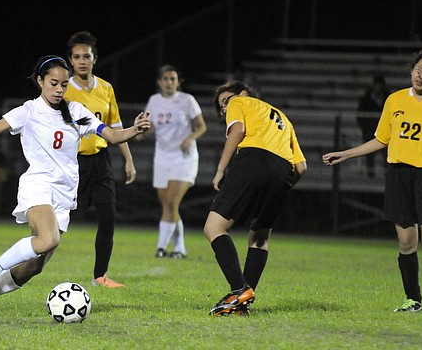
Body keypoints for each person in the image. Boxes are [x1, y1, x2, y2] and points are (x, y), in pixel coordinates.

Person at [0, 55, 150, 317]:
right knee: (47, 238)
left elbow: (113, 135)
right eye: (54, 83)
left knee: (33, 267)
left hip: (65, 194)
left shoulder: (76, 113)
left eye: (63, 85)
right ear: (40, 81)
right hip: (38, 185)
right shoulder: (28, 111)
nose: (59, 89)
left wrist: (136, 129)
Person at [323, 49, 422, 315]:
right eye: (417, 69)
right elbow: (382, 139)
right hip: (398, 174)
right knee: (406, 242)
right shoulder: (395, 99)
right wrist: (345, 154)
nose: (419, 74)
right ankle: (412, 299)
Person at [206, 80, 307, 316]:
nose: (224, 108)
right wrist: (280, 186)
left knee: (214, 227)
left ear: (242, 93)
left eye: (224, 101)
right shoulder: (283, 118)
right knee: (260, 238)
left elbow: (238, 131)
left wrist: (221, 169)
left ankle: (238, 289)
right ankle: (243, 303)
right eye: (222, 107)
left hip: (253, 160)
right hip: (284, 170)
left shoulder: (239, 101)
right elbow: (301, 166)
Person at [64, 31, 134, 288]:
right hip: (73, 163)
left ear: (94, 58)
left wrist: (128, 159)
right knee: (61, 220)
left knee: (108, 217)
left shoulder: (106, 88)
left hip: (101, 161)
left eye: (86, 56)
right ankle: (32, 260)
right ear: (70, 61)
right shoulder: (65, 90)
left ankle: (100, 276)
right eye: (77, 57)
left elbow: (115, 126)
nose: (82, 61)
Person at [141, 65, 207, 259]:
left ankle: (161, 247)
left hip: (183, 158)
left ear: (178, 82)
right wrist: (143, 131)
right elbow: (151, 125)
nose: (169, 82)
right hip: (162, 157)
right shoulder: (154, 101)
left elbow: (202, 126)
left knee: (171, 201)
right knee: (169, 206)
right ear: (159, 82)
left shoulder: (187, 100)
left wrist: (190, 138)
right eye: (165, 79)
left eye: (173, 79)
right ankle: (180, 250)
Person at [356, 75, 389, 177]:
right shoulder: (366, 99)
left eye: (380, 85)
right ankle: (370, 174)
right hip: (370, 131)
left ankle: (388, 175)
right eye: (377, 85)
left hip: (385, 132)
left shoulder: (389, 98)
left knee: (387, 154)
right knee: (369, 153)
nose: (378, 87)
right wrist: (366, 128)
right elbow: (360, 116)